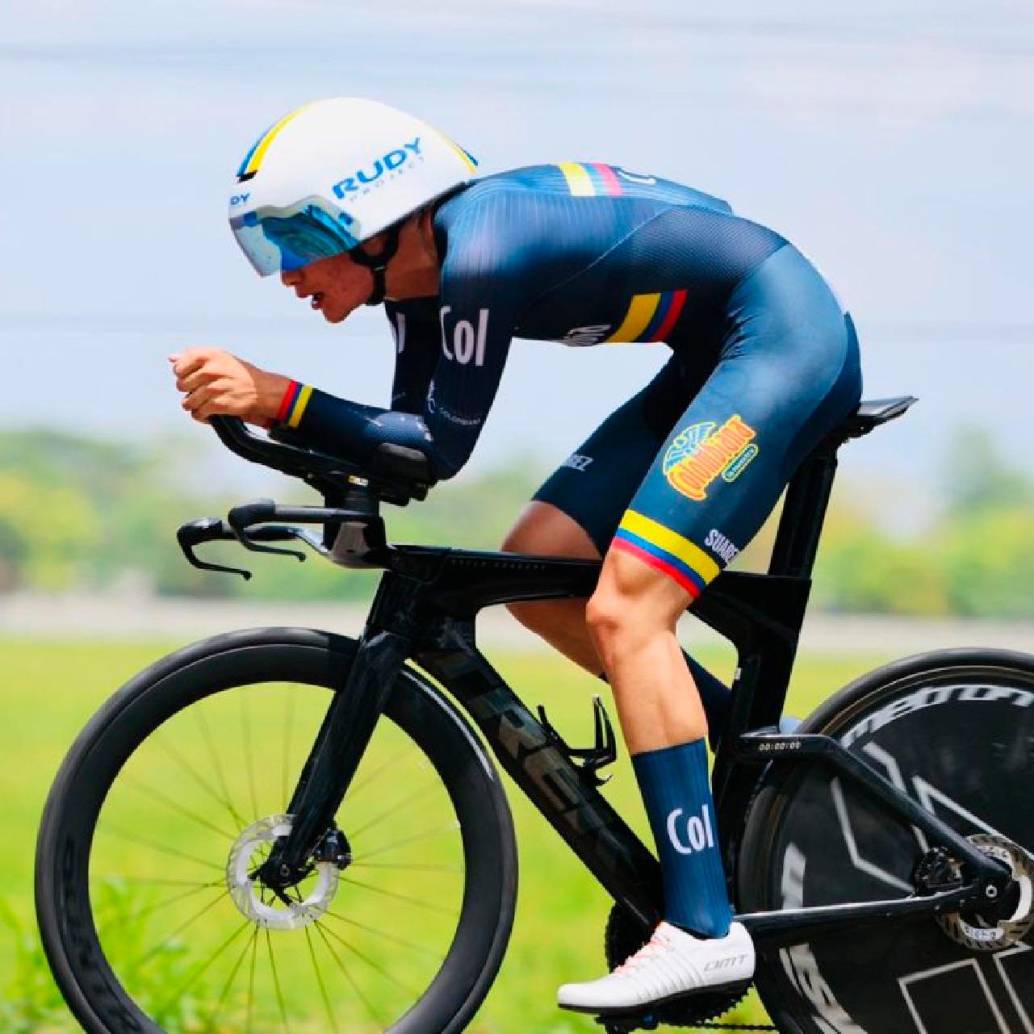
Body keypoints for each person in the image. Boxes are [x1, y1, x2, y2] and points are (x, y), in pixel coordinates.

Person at [171, 97, 862, 1015]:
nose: (287, 272)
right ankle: (760, 769)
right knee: (540, 568)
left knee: (629, 609)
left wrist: (279, 399)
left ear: (372, 221)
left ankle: (702, 931)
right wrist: (295, 443)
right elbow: (407, 454)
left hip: (781, 339)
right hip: (716, 351)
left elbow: (436, 446)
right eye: (271, 248)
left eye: (297, 239)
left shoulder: (481, 253)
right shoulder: (416, 282)